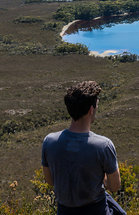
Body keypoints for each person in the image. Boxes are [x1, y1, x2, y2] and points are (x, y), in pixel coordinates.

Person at [42, 81, 125, 215]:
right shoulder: (103, 145)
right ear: (91, 110)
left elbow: (50, 181)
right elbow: (115, 186)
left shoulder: (49, 141)